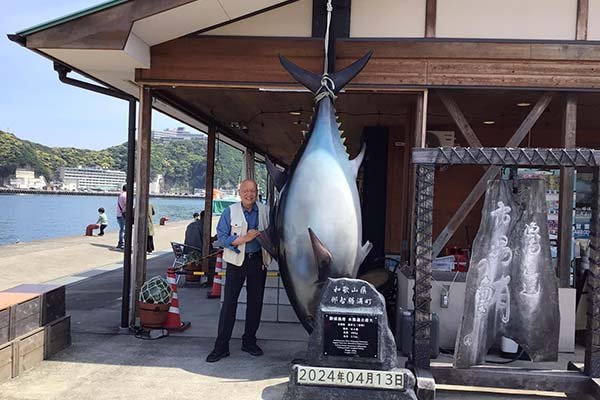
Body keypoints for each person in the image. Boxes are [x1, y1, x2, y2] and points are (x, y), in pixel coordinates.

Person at [206, 179, 271, 363]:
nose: (249, 194)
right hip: (236, 262)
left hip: (258, 261)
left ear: (257, 192)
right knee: (229, 305)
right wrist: (245, 238)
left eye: (252, 190)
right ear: (239, 192)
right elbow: (222, 238)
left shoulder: (265, 211)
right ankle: (221, 347)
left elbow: (274, 233)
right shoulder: (230, 211)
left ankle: (249, 341)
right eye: (245, 191)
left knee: (255, 304)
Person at [116, 184, 127, 249]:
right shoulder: (126, 195)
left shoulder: (120, 195)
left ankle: (120, 243)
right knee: (124, 229)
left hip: (118, 214)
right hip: (124, 215)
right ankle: (122, 243)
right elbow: (127, 205)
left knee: (121, 229)